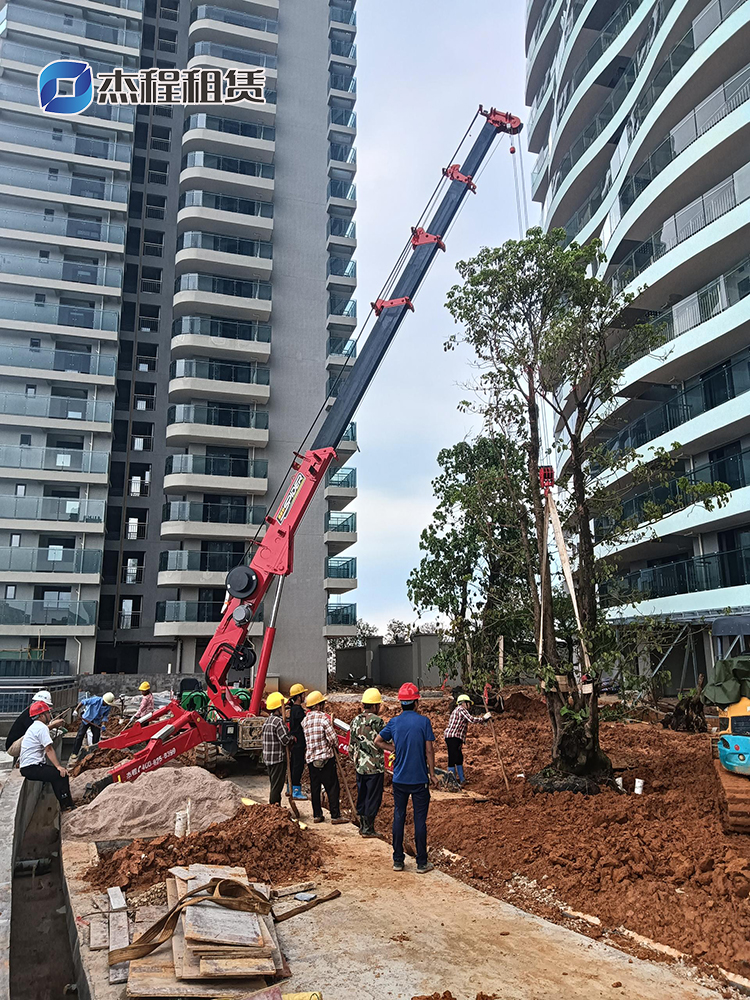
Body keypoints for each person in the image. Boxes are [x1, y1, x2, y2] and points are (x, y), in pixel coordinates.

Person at [374, 682, 437, 874]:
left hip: (399, 779)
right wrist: (432, 774)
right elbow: (429, 750)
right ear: (416, 703)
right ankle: (421, 863)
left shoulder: (394, 722)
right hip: (419, 780)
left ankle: (398, 860)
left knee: (399, 817)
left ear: (401, 703)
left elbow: (377, 740)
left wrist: (393, 749)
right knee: (419, 821)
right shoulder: (424, 722)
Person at [301, 690, 348, 825]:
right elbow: (333, 739)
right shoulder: (323, 719)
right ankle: (335, 815)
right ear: (318, 706)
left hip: (311, 759)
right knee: (332, 787)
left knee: (315, 787)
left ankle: (317, 815)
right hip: (326, 759)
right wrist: (335, 746)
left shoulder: (305, 721)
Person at [19, 701, 74, 811]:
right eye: (47, 713)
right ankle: (67, 805)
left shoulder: (34, 727)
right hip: (32, 767)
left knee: (55, 776)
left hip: (27, 767)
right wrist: (59, 766)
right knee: (61, 775)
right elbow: (48, 749)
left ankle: (64, 803)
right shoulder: (41, 728)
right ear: (41, 716)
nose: (50, 715)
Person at [349, 687, 385, 838]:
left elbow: (351, 744)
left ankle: (363, 824)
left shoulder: (355, 720)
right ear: (376, 705)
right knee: (373, 797)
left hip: (360, 766)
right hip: (375, 767)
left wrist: (355, 760)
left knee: (362, 794)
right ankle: (368, 828)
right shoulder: (377, 721)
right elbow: (387, 739)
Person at [444, 693, 491, 785]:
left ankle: (462, 780)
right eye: (468, 703)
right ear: (464, 703)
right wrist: (483, 718)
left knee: (458, 757)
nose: (469, 706)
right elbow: (471, 719)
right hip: (453, 737)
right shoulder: (461, 709)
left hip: (455, 737)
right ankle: (452, 782)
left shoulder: (458, 710)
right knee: (453, 758)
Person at [5, 690, 66, 756]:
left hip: (20, 742)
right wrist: (52, 725)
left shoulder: (33, 713)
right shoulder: (30, 714)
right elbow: (35, 732)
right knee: (48, 733)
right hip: (13, 746)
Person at [262, 692, 294, 806]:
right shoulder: (278, 722)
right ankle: (274, 807)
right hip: (277, 759)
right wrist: (292, 739)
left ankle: (276, 806)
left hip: (268, 759)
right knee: (277, 786)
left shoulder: (267, 721)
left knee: (273, 783)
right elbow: (284, 740)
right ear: (278, 708)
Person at [71, 691, 115, 757]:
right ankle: (75, 752)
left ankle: (95, 753)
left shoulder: (108, 707)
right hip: (87, 719)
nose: (107, 704)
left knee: (96, 737)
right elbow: (83, 702)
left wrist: (103, 725)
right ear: (104, 700)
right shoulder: (95, 700)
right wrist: (76, 710)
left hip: (96, 722)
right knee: (80, 735)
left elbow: (105, 716)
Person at [287, 683, 308, 800]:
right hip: (299, 742)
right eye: (303, 694)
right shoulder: (299, 711)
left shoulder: (292, 710)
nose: (304, 696)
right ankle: (296, 790)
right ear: (299, 697)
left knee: (293, 763)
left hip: (294, 741)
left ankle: (289, 787)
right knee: (298, 766)